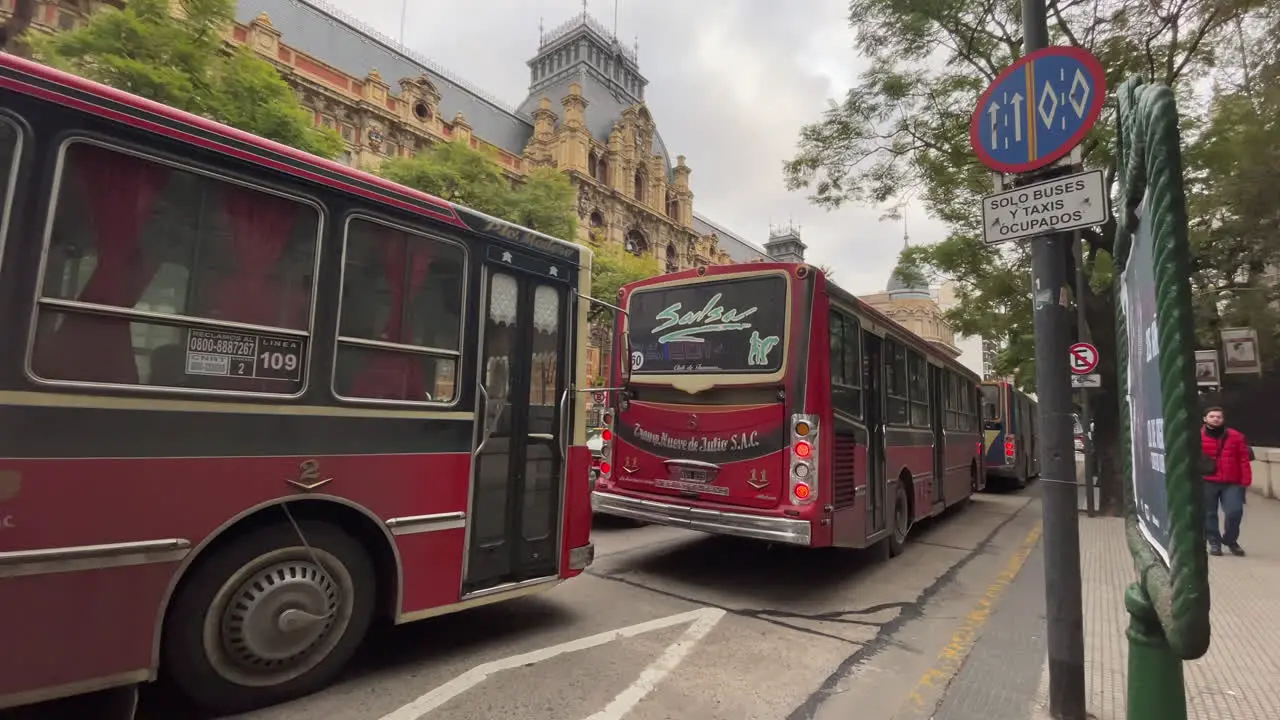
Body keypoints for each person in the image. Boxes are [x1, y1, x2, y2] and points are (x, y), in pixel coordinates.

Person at [1201, 407, 1252, 556]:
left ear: (1223, 419)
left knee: (1234, 512)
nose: (1215, 419)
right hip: (1207, 480)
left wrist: (1245, 480)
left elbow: (1243, 459)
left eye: (1219, 417)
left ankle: (1230, 540)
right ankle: (1214, 542)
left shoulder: (1236, 437)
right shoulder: (1196, 437)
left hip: (1232, 481)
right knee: (1209, 514)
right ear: (1205, 419)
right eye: (1212, 416)